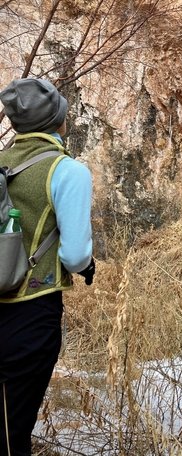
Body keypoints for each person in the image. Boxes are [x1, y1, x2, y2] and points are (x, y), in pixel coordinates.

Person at [0, 78, 95, 456]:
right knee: (14, 431)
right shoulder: (67, 171)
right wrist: (86, 265)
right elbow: (74, 256)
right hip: (31, 311)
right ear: (57, 121)